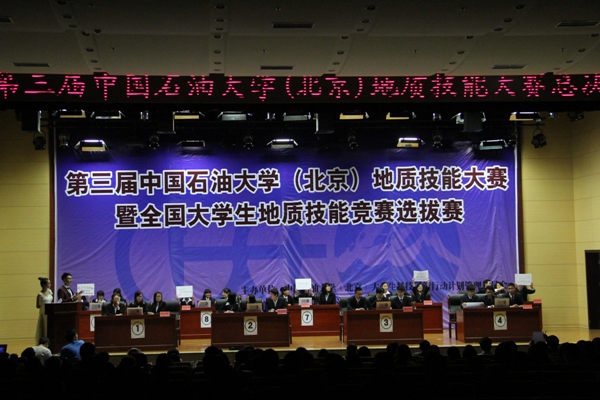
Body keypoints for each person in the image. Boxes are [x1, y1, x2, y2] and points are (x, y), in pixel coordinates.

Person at [35, 277, 53, 343]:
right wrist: (43, 304)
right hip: (44, 313)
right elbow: (38, 306)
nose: (50, 285)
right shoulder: (40, 294)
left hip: (50, 311)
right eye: (48, 283)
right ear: (44, 285)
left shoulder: (50, 291)